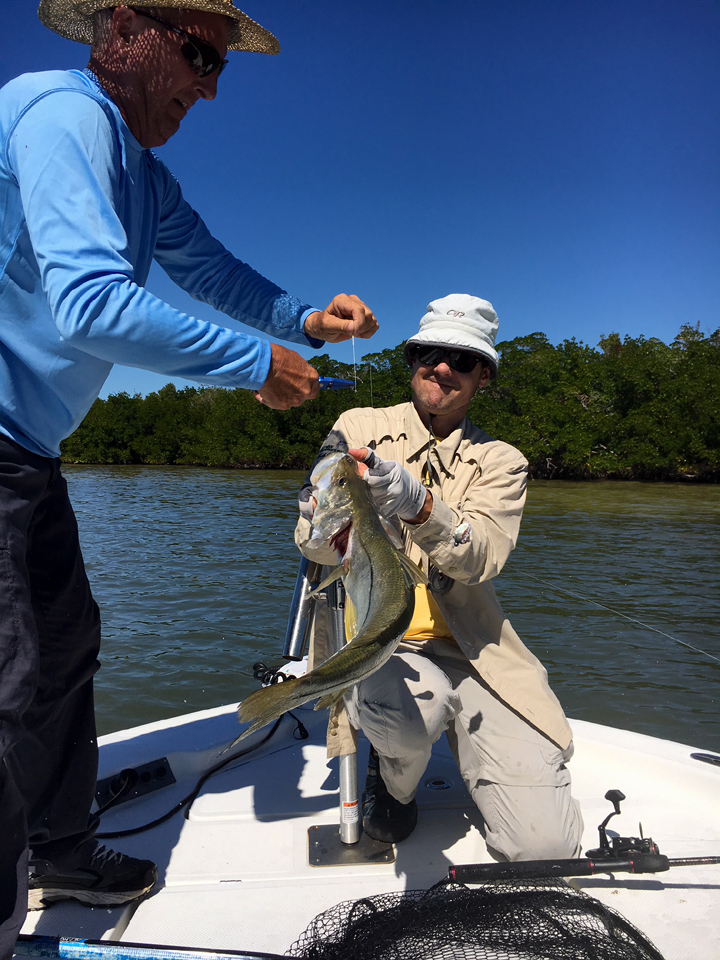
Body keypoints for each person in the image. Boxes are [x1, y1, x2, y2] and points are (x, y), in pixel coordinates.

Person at [0, 2, 378, 952]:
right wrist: (256, 367)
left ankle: (62, 851)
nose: (209, 86)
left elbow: (209, 269)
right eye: (199, 53)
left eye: (221, 68)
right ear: (123, 25)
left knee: (65, 648)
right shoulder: (60, 113)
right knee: (8, 676)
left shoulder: (142, 171)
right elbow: (91, 305)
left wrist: (304, 324)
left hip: (25, 455)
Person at [296, 294, 584, 862]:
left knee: (545, 849)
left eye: (462, 358)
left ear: (484, 375)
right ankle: (396, 777)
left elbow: (479, 559)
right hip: (382, 643)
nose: (442, 366)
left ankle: (458, 741)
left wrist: (417, 503)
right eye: (430, 352)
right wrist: (323, 511)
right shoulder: (358, 425)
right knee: (411, 715)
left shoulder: (503, 461)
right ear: (412, 360)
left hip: (477, 652)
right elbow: (311, 540)